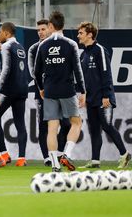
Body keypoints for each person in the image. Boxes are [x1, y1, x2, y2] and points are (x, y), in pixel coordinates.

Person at [34, 11, 86, 172]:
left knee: (52, 128)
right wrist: (82, 91)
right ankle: (67, 154)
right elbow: (78, 70)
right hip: (67, 90)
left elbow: (36, 72)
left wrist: (41, 88)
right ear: (63, 25)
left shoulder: (43, 45)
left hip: (49, 91)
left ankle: (55, 165)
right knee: (76, 123)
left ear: (50, 26)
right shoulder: (70, 44)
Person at [77, 21, 131, 169]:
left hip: (103, 98)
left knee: (107, 126)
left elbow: (106, 74)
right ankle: (95, 161)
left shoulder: (100, 50)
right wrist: (84, 95)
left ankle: (125, 154)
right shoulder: (84, 54)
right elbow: (85, 79)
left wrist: (106, 95)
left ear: (90, 34)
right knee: (94, 129)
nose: (78, 36)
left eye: (81, 33)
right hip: (91, 99)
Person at [28, 19, 70, 167]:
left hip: (60, 91)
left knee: (66, 123)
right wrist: (42, 87)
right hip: (42, 93)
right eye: (38, 30)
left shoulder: (61, 45)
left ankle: (58, 153)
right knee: (43, 125)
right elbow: (33, 72)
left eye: (43, 29)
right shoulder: (34, 48)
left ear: (50, 29)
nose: (40, 32)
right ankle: (47, 157)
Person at [0, 22, 29, 166]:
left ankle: (4, 154)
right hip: (22, 89)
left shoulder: (6, 46)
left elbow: (5, 70)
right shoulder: (20, 47)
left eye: (0, 32)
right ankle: (21, 158)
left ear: (6, 33)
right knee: (20, 124)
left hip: (10, 90)